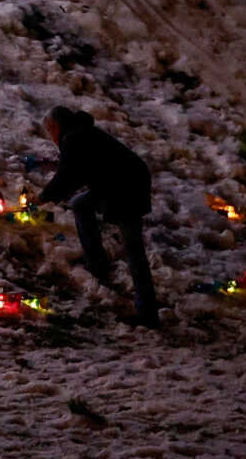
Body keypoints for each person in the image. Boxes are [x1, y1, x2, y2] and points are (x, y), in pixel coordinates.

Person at [38, 106, 160, 326]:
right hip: (113, 184)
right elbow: (77, 173)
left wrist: (45, 196)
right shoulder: (79, 133)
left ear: (55, 127)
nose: (51, 138)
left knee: (133, 249)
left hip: (127, 188)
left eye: (50, 132)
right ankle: (97, 262)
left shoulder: (73, 138)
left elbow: (67, 174)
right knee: (80, 204)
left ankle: (147, 313)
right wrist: (55, 194)